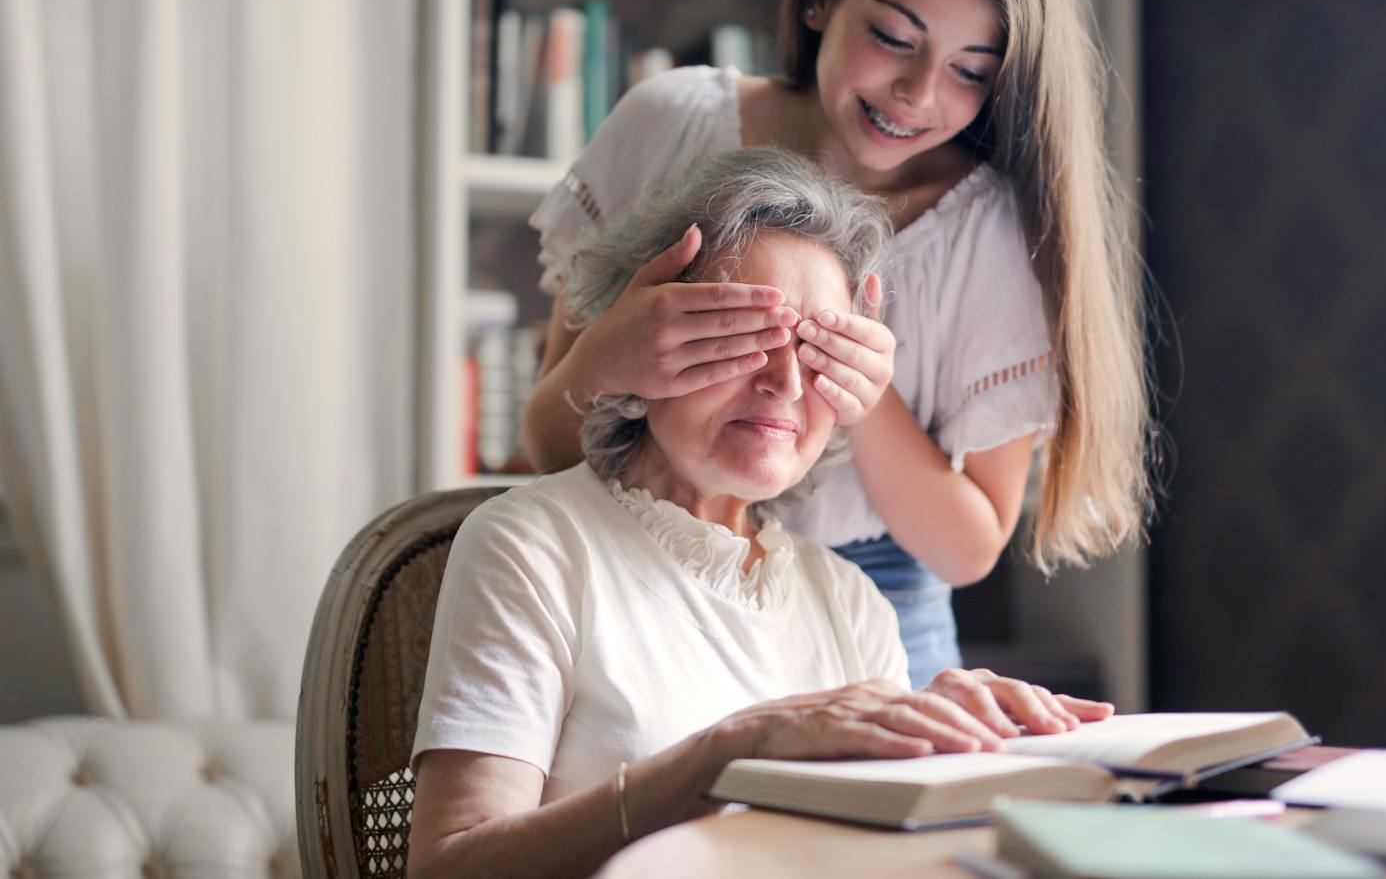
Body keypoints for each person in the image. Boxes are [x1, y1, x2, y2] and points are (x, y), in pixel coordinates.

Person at [522, 0, 1152, 687]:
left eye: (970, 71)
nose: (916, 94)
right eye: (893, 37)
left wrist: (858, 390)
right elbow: (545, 444)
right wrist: (610, 357)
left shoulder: (990, 232)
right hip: (645, 573)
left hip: (880, 607)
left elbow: (968, 547)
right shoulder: (670, 124)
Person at [407, 149, 1112, 879]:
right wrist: (732, 749)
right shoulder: (531, 548)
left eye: (818, 350)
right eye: (744, 334)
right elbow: (447, 867)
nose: (783, 380)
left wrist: (973, 752)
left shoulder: (852, 604)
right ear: (651, 339)